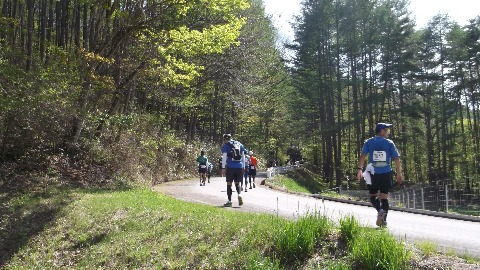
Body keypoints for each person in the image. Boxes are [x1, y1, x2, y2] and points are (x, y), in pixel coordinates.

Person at [357, 123, 403, 227]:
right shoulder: (389, 143)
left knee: (373, 196)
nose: (388, 132)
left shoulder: (368, 142)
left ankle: (380, 211)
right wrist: (399, 173)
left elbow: (363, 156)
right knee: (384, 197)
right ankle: (383, 219)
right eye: (386, 130)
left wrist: (359, 169)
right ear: (381, 131)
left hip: (372, 173)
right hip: (386, 172)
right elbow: (396, 158)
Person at [221, 134, 247, 207]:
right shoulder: (239, 144)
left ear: (224, 139)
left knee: (229, 183)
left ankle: (229, 201)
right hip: (239, 166)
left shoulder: (226, 146)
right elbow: (243, 155)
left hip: (230, 166)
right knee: (237, 183)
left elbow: (224, 157)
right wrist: (244, 166)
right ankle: (239, 194)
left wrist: (223, 168)